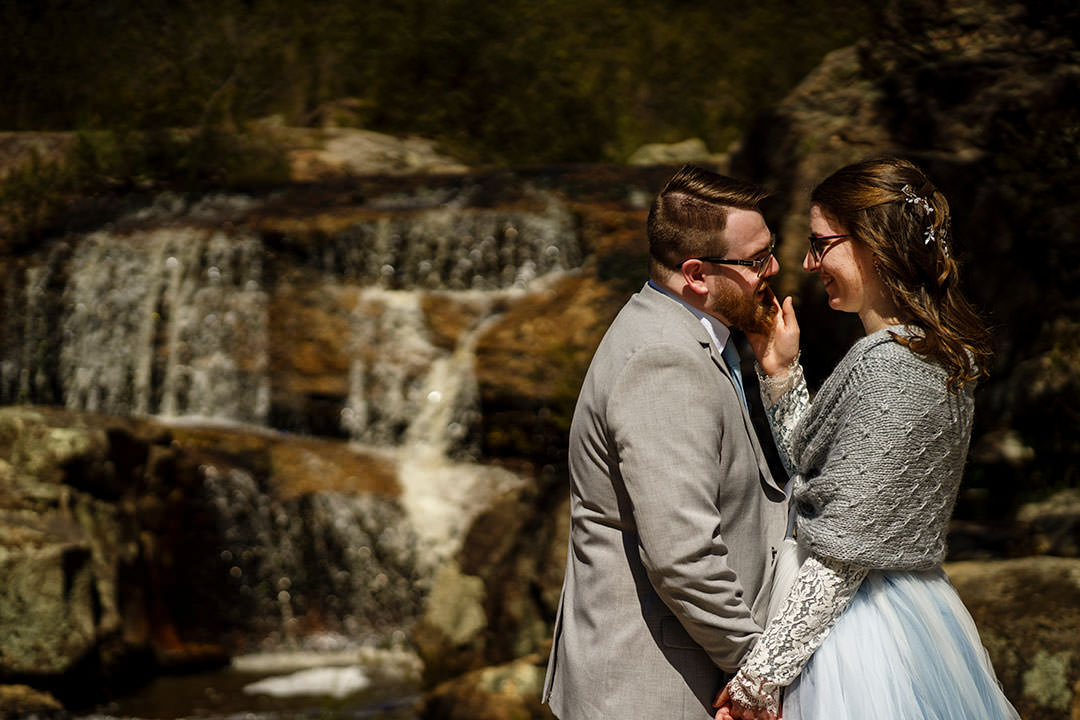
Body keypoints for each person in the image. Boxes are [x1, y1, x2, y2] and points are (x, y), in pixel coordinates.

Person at [714, 156, 1020, 720]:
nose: (808, 263)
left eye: (822, 243)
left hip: (859, 632)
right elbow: (828, 479)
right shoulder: (923, 351)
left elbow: (843, 552)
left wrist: (759, 679)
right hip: (897, 610)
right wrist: (782, 373)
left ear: (873, 244)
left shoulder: (892, 367)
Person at [542, 165, 789, 719]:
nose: (773, 268)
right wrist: (757, 671)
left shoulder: (688, 333)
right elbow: (683, 556)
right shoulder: (665, 361)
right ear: (697, 275)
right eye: (755, 261)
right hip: (654, 689)